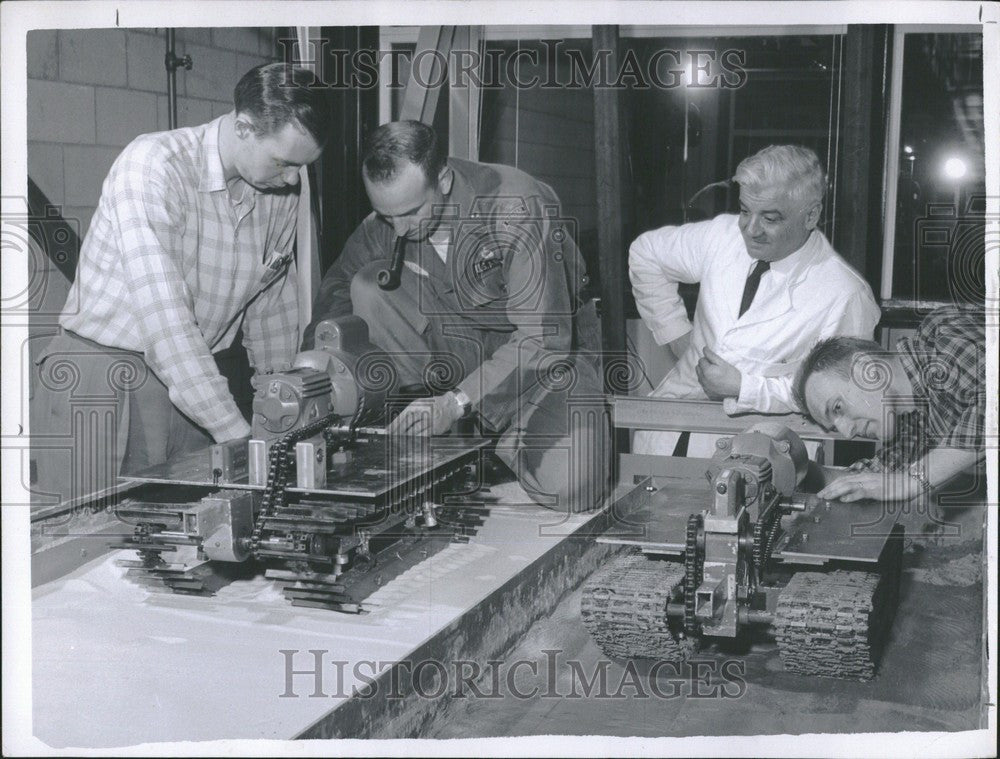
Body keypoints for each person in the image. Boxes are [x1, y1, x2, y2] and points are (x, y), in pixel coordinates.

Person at [31, 63, 328, 506]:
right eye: (284, 163)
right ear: (244, 127)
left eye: (302, 167)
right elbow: (167, 323)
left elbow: (273, 306)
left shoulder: (284, 187)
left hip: (191, 381)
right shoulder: (154, 166)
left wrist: (280, 414)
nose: (292, 179)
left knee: (193, 540)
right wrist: (239, 437)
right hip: (102, 381)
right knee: (81, 551)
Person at [305, 120, 609, 513]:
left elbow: (543, 339)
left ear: (443, 180)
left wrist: (455, 404)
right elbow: (335, 292)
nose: (398, 229)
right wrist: (311, 377)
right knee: (367, 285)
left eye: (411, 212)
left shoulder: (516, 209)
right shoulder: (391, 220)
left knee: (575, 488)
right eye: (385, 214)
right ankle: (435, 439)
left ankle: (485, 437)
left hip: (545, 360)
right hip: (456, 354)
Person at [628, 144, 881, 456]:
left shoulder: (844, 294)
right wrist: (676, 334)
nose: (750, 229)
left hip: (764, 450)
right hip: (669, 432)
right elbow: (646, 254)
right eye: (745, 211)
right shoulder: (721, 235)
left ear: (811, 215)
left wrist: (745, 388)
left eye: (770, 218)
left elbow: (842, 394)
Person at [793, 304, 986, 502]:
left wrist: (909, 481)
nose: (847, 433)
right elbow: (867, 482)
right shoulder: (915, 420)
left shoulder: (942, 333)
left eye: (837, 408)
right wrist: (799, 469)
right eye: (835, 427)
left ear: (867, 370)